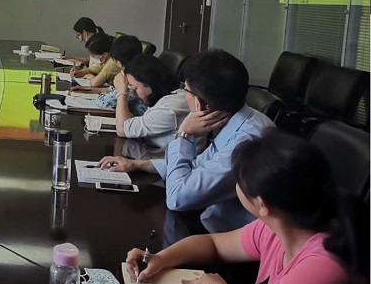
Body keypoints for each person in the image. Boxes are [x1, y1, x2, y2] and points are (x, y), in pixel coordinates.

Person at [125, 129, 368, 284]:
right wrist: (161, 258)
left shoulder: (323, 267)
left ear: (261, 204)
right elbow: (213, 244)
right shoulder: (282, 224)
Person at [100, 49, 275, 233]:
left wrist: (184, 135)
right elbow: (199, 165)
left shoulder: (245, 143)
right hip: (211, 221)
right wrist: (138, 164)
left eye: (186, 89)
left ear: (199, 104)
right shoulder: (240, 119)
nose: (183, 95)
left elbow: (178, 198)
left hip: (226, 235)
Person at [113, 54, 189, 149]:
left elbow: (122, 129)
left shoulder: (167, 110)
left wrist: (122, 92)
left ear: (149, 82)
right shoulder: (170, 95)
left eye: (134, 88)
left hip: (159, 156)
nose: (134, 93)